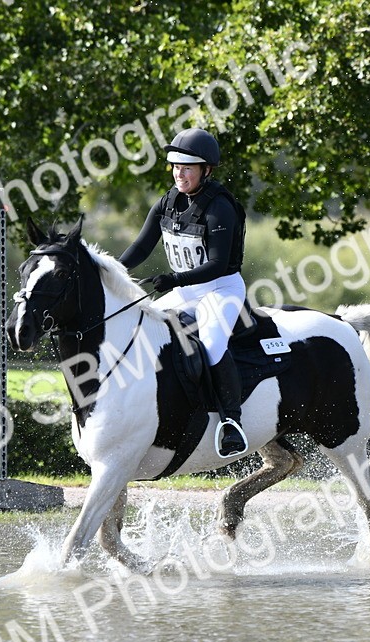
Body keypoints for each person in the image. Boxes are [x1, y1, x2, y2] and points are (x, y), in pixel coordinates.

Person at [119, 128, 249, 459]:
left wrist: (175, 279)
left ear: (206, 170)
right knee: (144, 330)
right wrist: (112, 272)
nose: (180, 174)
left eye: (188, 168)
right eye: (176, 167)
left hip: (220, 290)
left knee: (212, 344)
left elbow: (219, 264)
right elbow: (141, 246)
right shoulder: (169, 202)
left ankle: (232, 423)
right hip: (186, 290)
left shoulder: (220, 208)